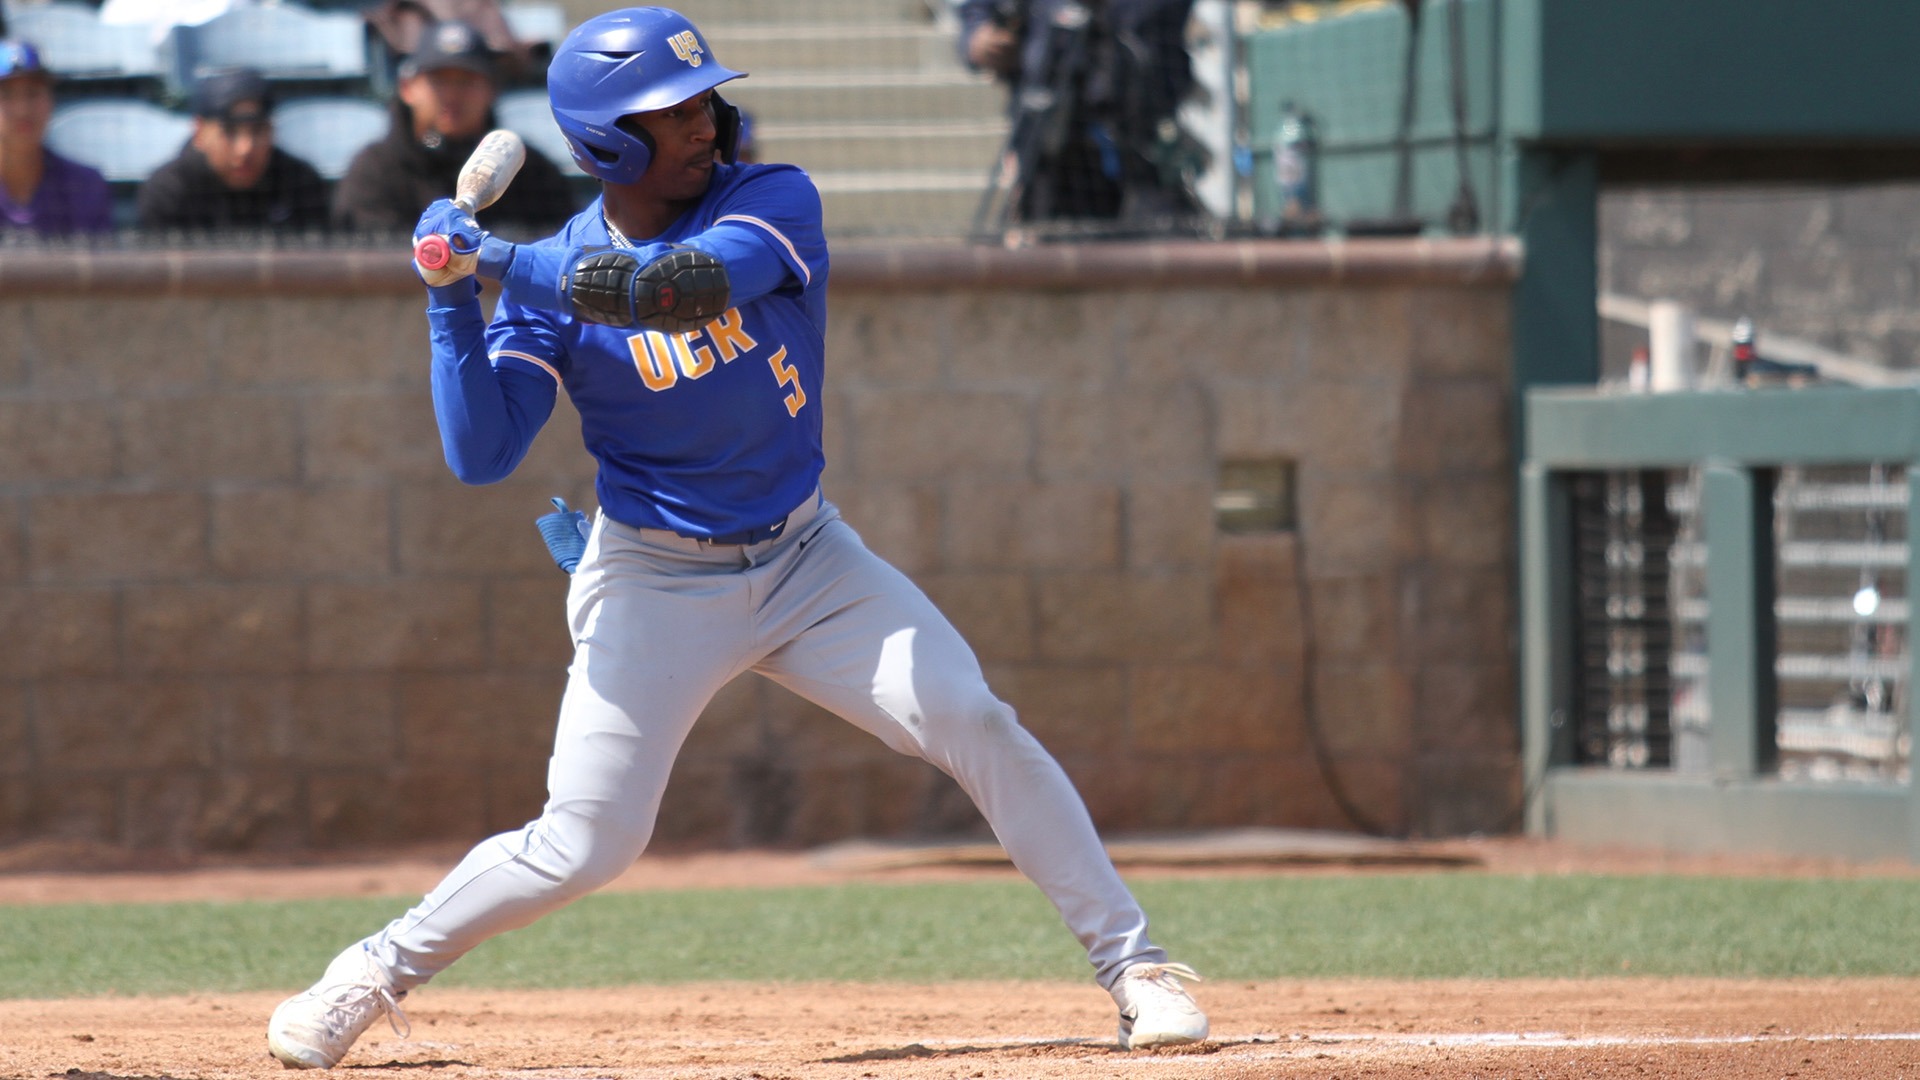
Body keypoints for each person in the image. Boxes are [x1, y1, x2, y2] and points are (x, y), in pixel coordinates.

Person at [264, 7, 1208, 1070]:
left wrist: (489, 257)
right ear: (608, 141)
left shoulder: (769, 199)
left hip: (809, 558)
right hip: (654, 577)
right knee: (585, 843)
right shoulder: (547, 279)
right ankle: (367, 973)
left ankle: (1137, 968)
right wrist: (449, 297)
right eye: (668, 113)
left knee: (971, 716)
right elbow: (483, 454)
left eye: (702, 100)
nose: (702, 123)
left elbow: (675, 291)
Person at [958, 0, 1199, 229]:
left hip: (1143, 138)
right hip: (1053, 142)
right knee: (1051, 243)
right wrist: (980, 37)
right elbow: (977, 16)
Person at [332, 18, 573, 236]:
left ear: (492, 89)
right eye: (439, 80)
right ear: (407, 88)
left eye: (467, 81)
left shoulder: (529, 171)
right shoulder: (374, 171)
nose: (452, 94)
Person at [136, 67, 330, 234]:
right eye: (229, 132)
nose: (245, 149)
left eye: (257, 131)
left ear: (272, 131)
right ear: (200, 133)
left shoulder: (300, 184)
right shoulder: (169, 192)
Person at [0, 40, 112, 237]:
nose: (22, 110)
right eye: (7, 95)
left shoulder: (85, 186)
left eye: (32, 94)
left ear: (51, 101)